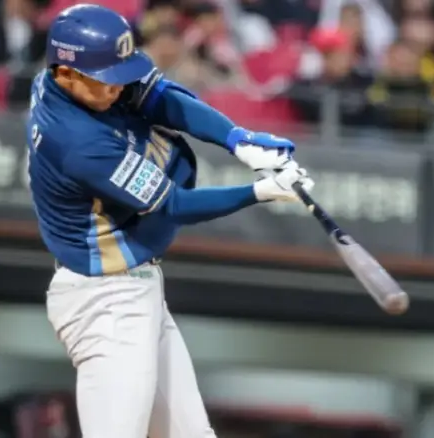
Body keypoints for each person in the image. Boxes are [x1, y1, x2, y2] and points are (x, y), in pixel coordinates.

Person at [26, 4, 314, 438]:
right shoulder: (77, 143)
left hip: (135, 289)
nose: (118, 87)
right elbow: (173, 204)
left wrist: (237, 140)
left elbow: (160, 96)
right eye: (107, 79)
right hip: (105, 301)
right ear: (65, 73)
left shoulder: (67, 80)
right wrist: (259, 192)